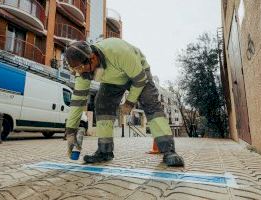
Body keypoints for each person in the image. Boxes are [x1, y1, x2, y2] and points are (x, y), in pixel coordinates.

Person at [65, 38, 184, 167]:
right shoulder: (83, 72)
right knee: (102, 105)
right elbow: (77, 101)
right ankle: (105, 151)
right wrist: (71, 131)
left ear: (92, 58)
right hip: (114, 79)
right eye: (76, 69)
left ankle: (169, 150)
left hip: (139, 74)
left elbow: (139, 80)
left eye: (81, 67)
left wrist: (130, 102)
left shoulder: (118, 51)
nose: (80, 72)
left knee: (150, 102)